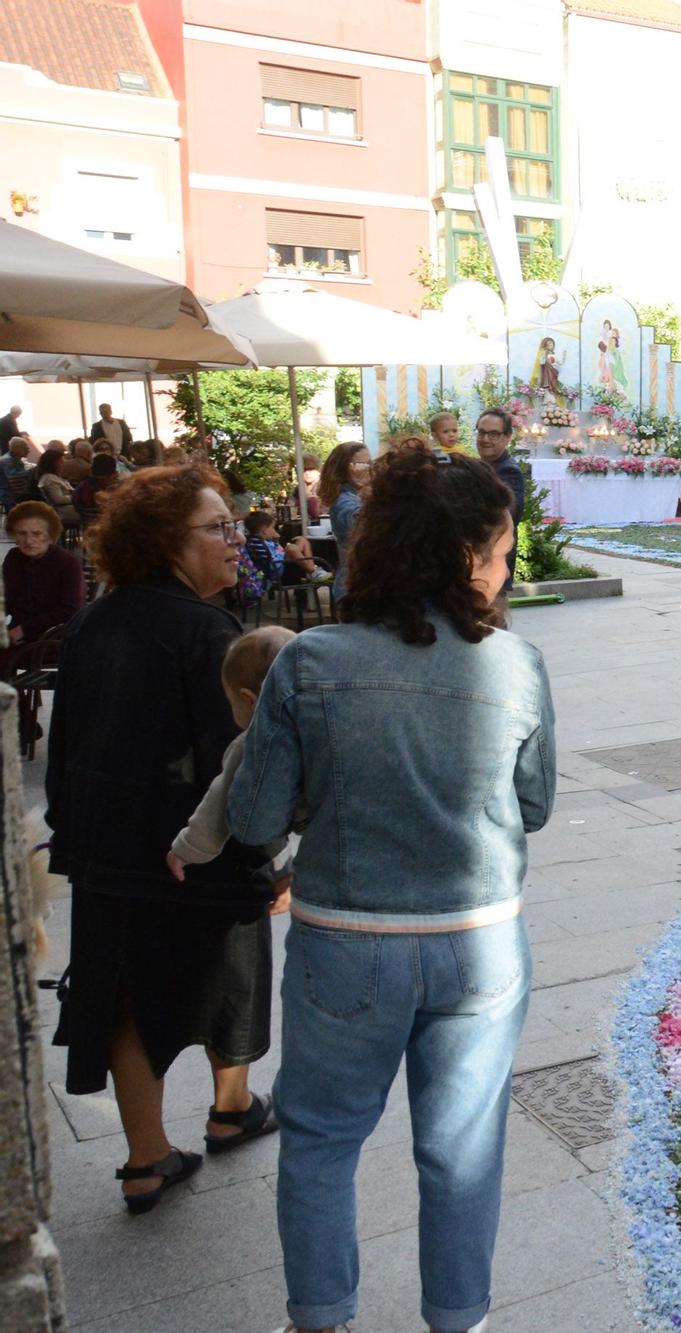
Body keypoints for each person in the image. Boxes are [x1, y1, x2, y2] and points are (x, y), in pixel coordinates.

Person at [230, 449, 555, 1333]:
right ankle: (459, 1320)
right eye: (500, 552)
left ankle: (322, 1319)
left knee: (323, 1141)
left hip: (345, 940)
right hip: (480, 943)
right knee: (462, 1153)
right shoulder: (517, 665)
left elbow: (256, 818)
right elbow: (533, 804)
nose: (504, 569)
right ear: (462, 556)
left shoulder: (309, 661)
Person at [46, 466, 283, 1215]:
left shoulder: (95, 619)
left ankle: (146, 1159)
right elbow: (237, 759)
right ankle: (231, 1105)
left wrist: (72, 833)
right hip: (191, 850)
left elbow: (65, 742)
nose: (233, 540)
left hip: (108, 846)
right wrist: (264, 857)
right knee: (234, 967)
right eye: (217, 528)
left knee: (122, 995)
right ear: (165, 542)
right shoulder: (206, 632)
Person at [166, 626, 296, 881]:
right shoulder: (333, 726)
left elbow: (219, 800)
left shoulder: (251, 744)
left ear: (249, 700)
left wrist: (187, 849)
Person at [1, 501, 87, 713]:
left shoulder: (67, 564)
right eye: (21, 533)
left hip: (55, 640)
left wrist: (23, 629)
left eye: (37, 534)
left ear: (50, 535)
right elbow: (8, 600)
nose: (28, 540)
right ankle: (21, 719)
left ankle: (21, 724)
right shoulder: (14, 559)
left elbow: (70, 611)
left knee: (2, 662)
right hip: (20, 637)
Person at [473, 410, 525, 593]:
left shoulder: (508, 472)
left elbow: (506, 518)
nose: (485, 439)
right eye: (481, 432)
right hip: (477, 563)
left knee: (493, 619)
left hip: (493, 563)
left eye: (493, 434)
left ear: (508, 437)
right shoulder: (480, 466)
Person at [318, 442, 372, 600]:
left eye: (369, 463)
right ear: (343, 468)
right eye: (360, 464)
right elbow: (366, 522)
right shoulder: (344, 501)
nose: (367, 469)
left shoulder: (357, 495)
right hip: (355, 588)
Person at [38, 449, 81, 525]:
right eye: (61, 461)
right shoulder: (50, 479)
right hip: (64, 511)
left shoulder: (55, 477)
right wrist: (75, 496)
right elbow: (58, 499)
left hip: (68, 508)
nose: (64, 463)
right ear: (52, 464)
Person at [0, 437, 31, 508]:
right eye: (25, 448)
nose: (28, 450)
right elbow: (15, 479)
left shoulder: (16, 459)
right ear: (16, 448)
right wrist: (32, 471)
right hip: (9, 495)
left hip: (15, 493)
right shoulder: (7, 460)